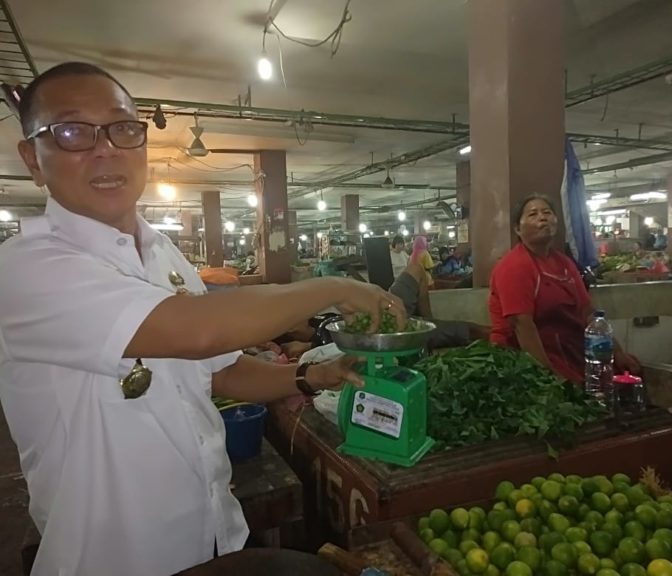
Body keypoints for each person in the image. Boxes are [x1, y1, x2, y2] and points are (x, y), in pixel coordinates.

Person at [0, 62, 407, 576]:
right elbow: (197, 330)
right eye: (72, 130)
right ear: (32, 160)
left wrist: (306, 375)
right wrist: (333, 288)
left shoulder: (164, 252)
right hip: (115, 559)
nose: (105, 148)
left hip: (213, 531)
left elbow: (219, 370)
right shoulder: (26, 269)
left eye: (124, 127)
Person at [488, 195, 640, 383]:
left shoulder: (565, 264)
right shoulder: (514, 266)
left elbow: (588, 313)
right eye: (533, 214)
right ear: (518, 229)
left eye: (547, 213)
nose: (542, 218)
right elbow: (522, 325)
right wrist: (550, 377)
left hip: (568, 349)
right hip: (525, 356)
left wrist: (617, 352)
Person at [390, 262, 489, 348]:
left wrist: (428, 321)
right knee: (471, 331)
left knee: (416, 268)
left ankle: (429, 328)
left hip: (388, 308)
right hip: (389, 331)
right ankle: (430, 332)